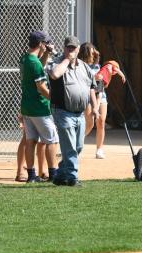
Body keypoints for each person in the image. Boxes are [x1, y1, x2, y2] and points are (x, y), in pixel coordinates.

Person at [47, 36, 96, 186]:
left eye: (73, 48)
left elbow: (91, 88)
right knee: (69, 148)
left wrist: (94, 108)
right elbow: (55, 74)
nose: (71, 50)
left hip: (79, 113)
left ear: (79, 49)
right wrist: (67, 60)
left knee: (78, 147)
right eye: (68, 47)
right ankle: (72, 178)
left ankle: (60, 175)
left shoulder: (84, 66)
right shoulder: (56, 62)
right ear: (64, 48)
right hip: (63, 111)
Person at [19, 30, 59, 183]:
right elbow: (41, 87)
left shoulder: (25, 58)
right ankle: (53, 173)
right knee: (51, 140)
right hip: (39, 108)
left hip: (27, 107)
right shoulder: (34, 63)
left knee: (31, 140)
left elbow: (38, 66)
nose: (47, 45)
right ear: (41, 44)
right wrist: (55, 100)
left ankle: (31, 175)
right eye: (46, 43)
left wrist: (46, 54)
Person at [79, 43, 125, 159]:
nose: (94, 52)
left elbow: (111, 67)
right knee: (89, 123)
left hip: (100, 94)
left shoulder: (97, 65)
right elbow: (83, 81)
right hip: (87, 95)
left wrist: (118, 72)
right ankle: (77, 144)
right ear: (86, 52)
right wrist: (94, 78)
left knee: (101, 121)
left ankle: (99, 149)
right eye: (91, 50)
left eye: (94, 50)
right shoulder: (80, 65)